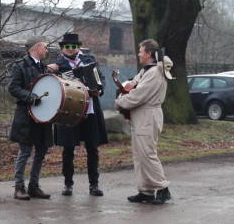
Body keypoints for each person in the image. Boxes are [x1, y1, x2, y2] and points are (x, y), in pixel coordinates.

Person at [47, 32, 108, 196]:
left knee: (92, 148)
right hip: (68, 111)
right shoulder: (57, 65)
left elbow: (100, 79)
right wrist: (51, 71)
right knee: (68, 149)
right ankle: (68, 184)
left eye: (73, 46)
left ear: (79, 47)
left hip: (90, 110)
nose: (70, 49)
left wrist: (99, 90)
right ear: (62, 48)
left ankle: (93, 184)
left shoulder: (89, 61)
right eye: (67, 46)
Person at [114, 38, 173, 205]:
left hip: (148, 115)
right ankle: (146, 190)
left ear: (149, 53)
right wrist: (123, 96)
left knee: (147, 153)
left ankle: (162, 188)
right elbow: (131, 86)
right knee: (139, 155)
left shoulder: (154, 72)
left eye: (141, 51)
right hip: (140, 114)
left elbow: (139, 94)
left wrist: (120, 102)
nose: (138, 54)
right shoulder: (146, 71)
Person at [8, 36, 54, 200]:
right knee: (25, 152)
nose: (47, 50)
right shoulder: (20, 66)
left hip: (43, 115)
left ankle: (34, 186)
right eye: (45, 47)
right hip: (26, 114)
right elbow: (13, 87)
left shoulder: (44, 68)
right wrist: (31, 96)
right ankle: (19, 187)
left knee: (41, 151)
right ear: (36, 47)